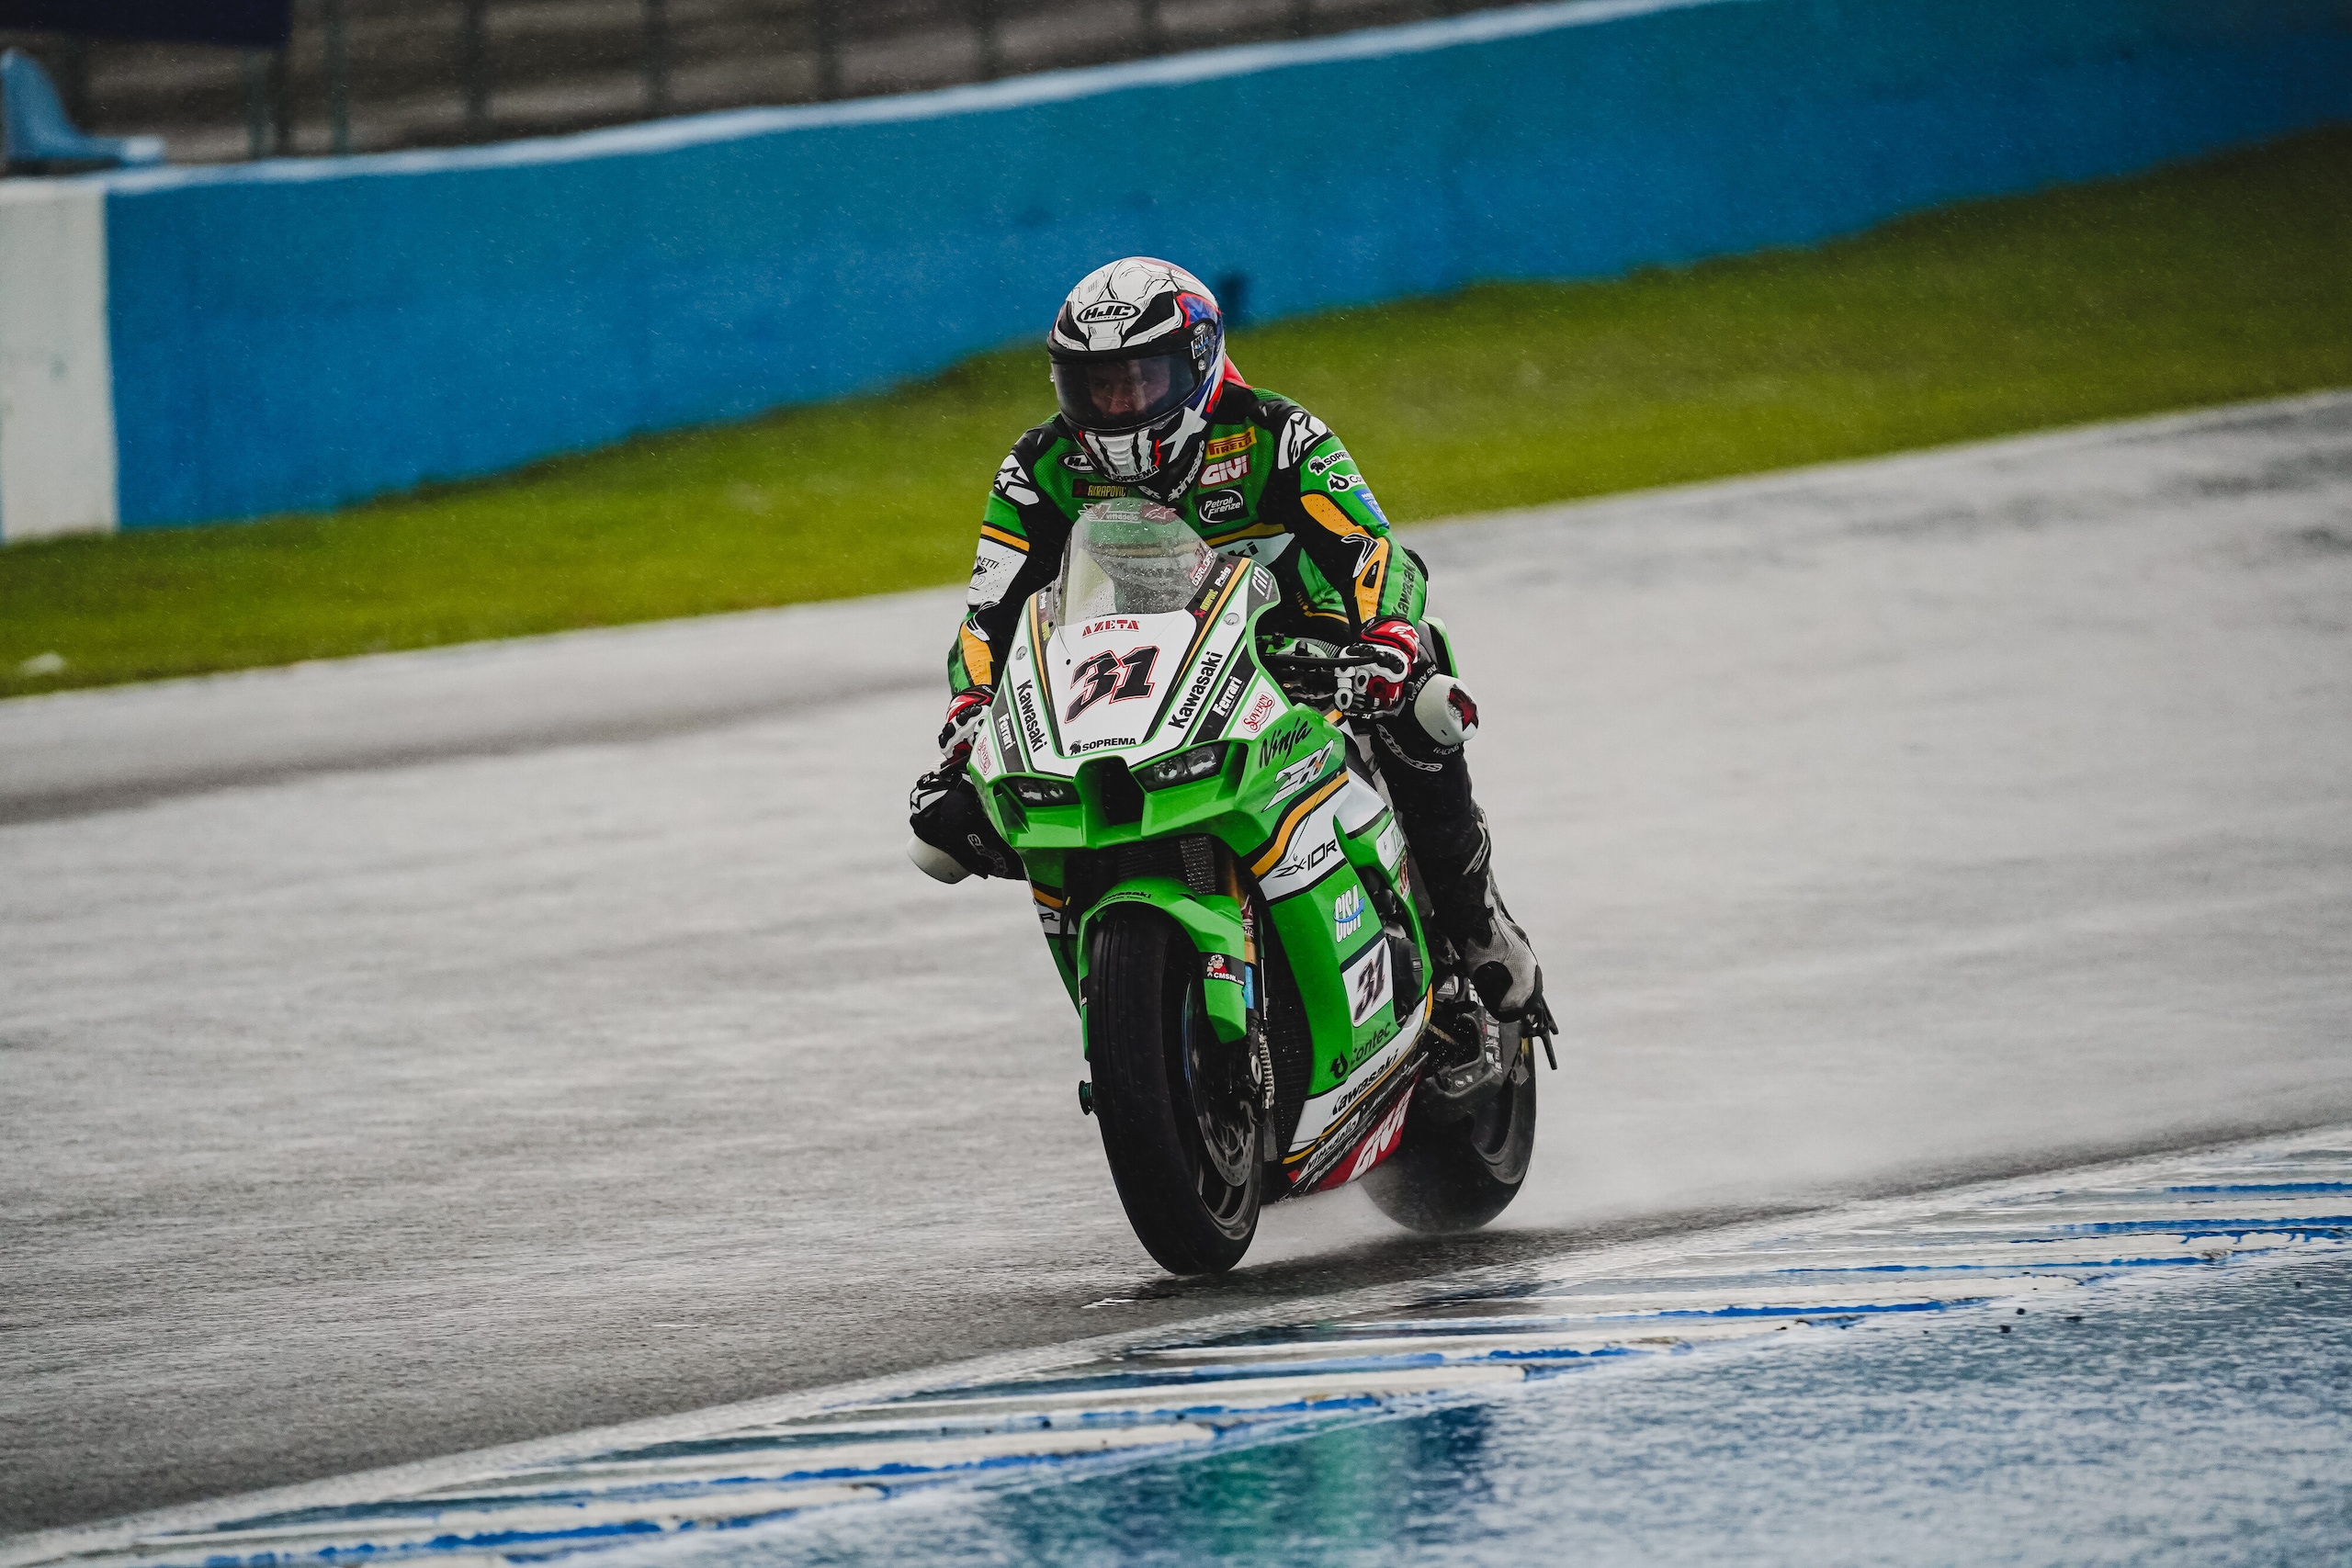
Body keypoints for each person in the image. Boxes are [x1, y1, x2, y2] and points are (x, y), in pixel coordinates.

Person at [908, 256, 1544, 1020]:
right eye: (1096, 384)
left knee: (1425, 704)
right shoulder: (1038, 468)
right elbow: (990, 612)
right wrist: (970, 712)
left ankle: (1477, 925)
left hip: (1302, 648)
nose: (1117, 403)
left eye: (1140, 379)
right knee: (954, 820)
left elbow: (1376, 549)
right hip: (1132, 676)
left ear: (1199, 363)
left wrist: (1389, 640)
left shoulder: (1277, 432)